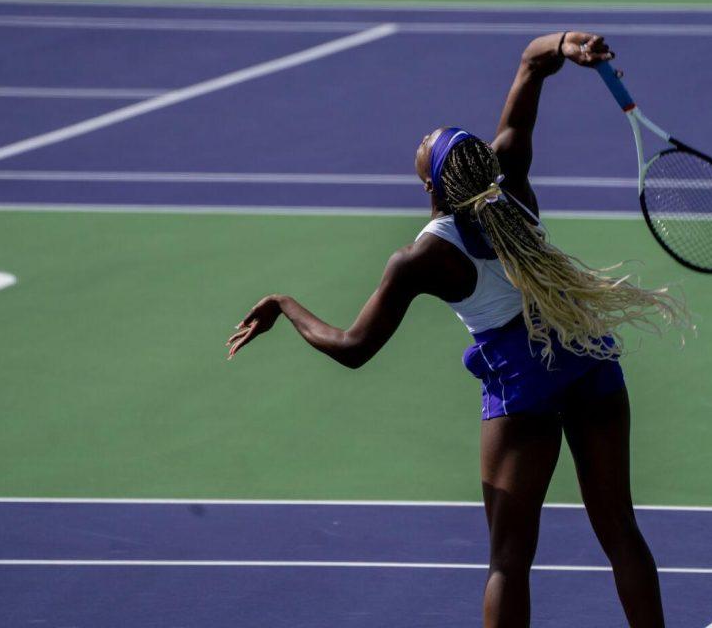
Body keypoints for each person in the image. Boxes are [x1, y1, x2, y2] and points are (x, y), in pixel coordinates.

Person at [226, 32, 682, 628]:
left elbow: (353, 349)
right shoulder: (512, 178)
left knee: (508, 562)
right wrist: (569, 42)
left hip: (525, 386)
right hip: (586, 354)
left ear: (432, 188)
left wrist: (287, 305)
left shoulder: (421, 258)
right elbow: (531, 64)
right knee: (620, 529)